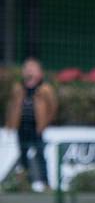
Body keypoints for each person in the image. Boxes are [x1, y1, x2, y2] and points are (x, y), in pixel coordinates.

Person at [4, 57, 58, 192]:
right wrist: (10, 124)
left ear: (39, 72)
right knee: (23, 156)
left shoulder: (45, 88)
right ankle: (25, 185)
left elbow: (53, 107)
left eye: (32, 69)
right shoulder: (18, 88)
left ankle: (45, 183)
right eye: (27, 69)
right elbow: (11, 106)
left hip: (37, 128)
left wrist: (45, 123)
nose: (29, 72)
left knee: (40, 155)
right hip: (21, 126)